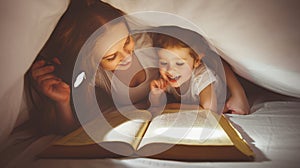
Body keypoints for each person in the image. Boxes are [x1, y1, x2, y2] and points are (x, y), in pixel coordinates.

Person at [28, 0, 249, 135]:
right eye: (112, 56)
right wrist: (62, 102)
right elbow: (74, 131)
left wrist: (238, 93)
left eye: (126, 42)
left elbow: (202, 56)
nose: (126, 56)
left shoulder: (147, 44)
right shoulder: (94, 77)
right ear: (93, 62)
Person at [149, 26, 219, 112]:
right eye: (163, 63)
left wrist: (171, 107)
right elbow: (156, 107)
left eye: (179, 63)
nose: (170, 70)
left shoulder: (201, 76)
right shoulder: (168, 79)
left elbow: (210, 111)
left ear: (196, 61)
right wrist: (155, 95)